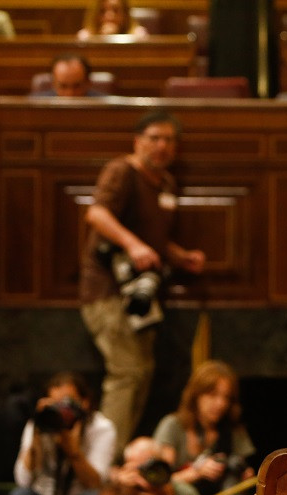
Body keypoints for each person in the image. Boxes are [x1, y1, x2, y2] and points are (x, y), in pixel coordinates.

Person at [79, 109, 206, 452]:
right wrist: (132, 245)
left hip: (143, 296)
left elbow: (157, 242)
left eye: (168, 140)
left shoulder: (165, 183)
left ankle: (117, 454)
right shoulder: (122, 171)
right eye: (154, 138)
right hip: (108, 291)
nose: (161, 146)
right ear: (137, 141)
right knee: (127, 372)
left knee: (142, 372)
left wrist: (182, 258)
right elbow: (97, 214)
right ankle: (104, 461)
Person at [8, 372, 116, 495]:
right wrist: (36, 439)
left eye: (67, 403)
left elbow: (95, 484)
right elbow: (22, 480)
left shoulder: (101, 429)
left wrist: (73, 451)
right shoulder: (40, 424)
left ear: (85, 403)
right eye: (54, 404)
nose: (60, 411)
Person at [153, 360, 255, 495]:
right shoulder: (173, 425)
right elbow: (159, 482)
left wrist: (245, 479)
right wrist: (197, 472)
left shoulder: (232, 431)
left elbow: (244, 471)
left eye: (226, 397)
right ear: (196, 395)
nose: (220, 404)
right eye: (213, 395)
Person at [32, 53, 106, 97]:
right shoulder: (33, 107)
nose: (70, 94)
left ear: (88, 83)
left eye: (77, 86)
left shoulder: (107, 107)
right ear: (53, 83)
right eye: (63, 86)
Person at [77, 0, 147, 40]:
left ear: (125, 13)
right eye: (102, 11)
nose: (109, 16)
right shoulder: (85, 37)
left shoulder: (138, 36)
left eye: (116, 10)